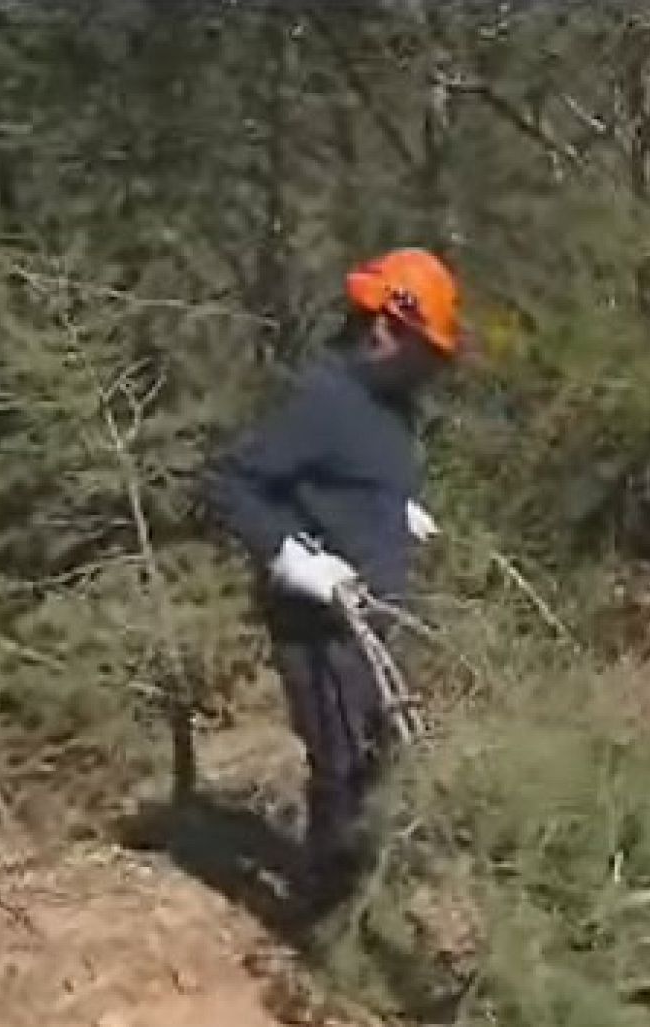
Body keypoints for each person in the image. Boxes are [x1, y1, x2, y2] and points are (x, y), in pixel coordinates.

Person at [205, 247, 459, 906]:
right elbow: (232, 483)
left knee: (383, 758)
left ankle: (366, 886)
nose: (425, 367)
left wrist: (397, 509)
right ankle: (327, 912)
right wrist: (291, 556)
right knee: (343, 764)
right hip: (319, 623)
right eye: (419, 348)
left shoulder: (393, 409)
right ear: (384, 329)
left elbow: (359, 475)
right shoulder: (321, 397)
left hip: (379, 613)